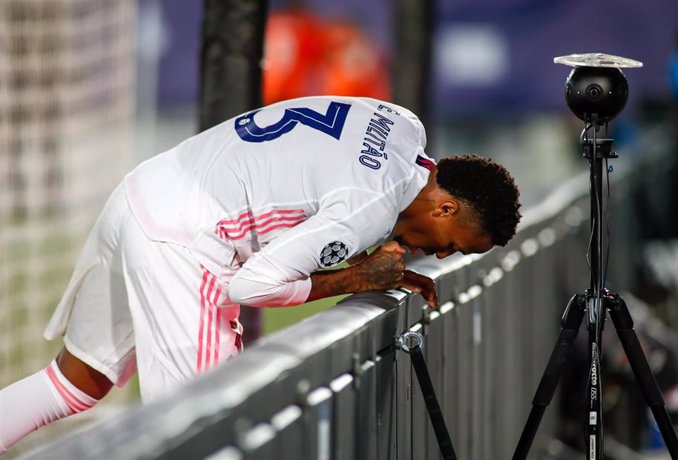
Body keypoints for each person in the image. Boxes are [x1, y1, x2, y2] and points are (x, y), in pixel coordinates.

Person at [0, 96, 521, 453]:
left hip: (145, 191)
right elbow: (248, 285)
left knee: (73, 384)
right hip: (185, 242)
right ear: (446, 208)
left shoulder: (405, 124)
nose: (442, 256)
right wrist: (356, 279)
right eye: (451, 247)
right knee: (204, 433)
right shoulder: (366, 210)